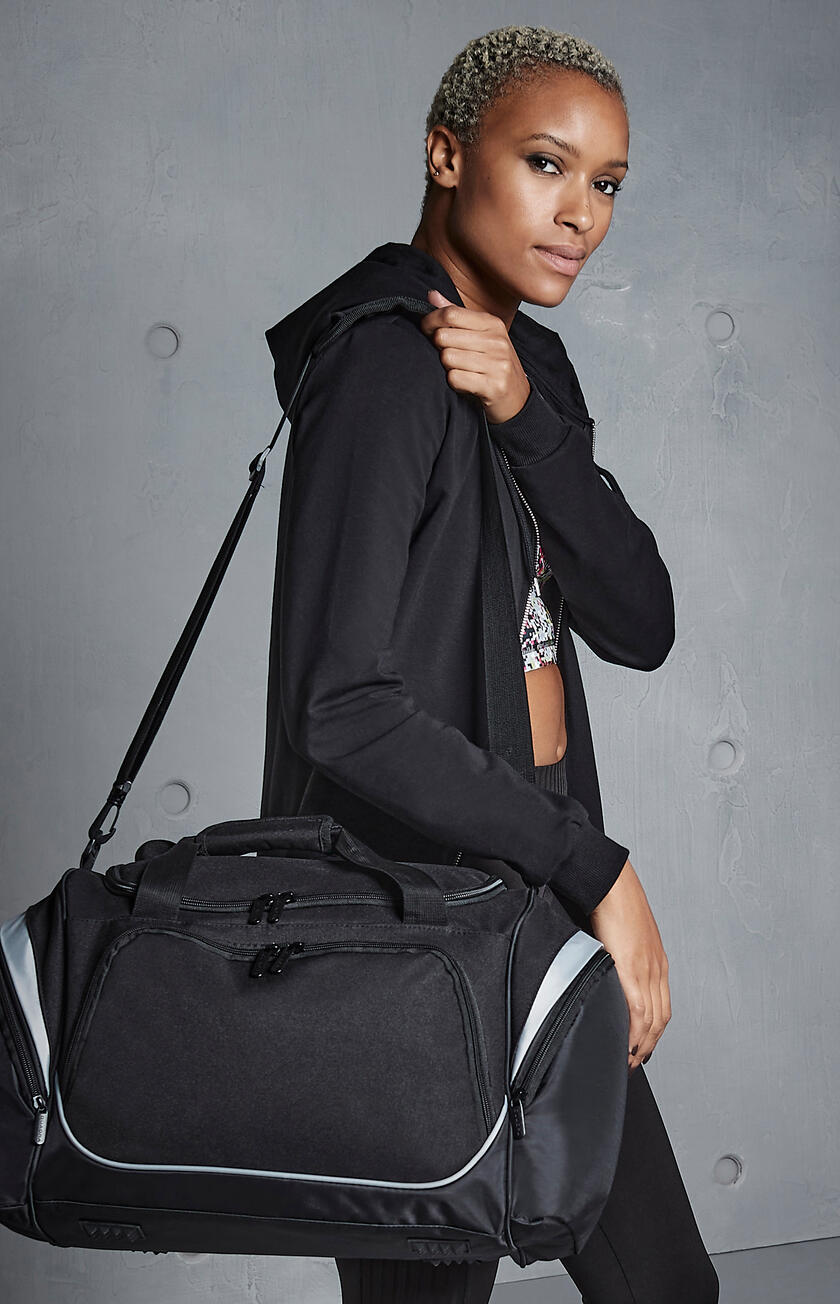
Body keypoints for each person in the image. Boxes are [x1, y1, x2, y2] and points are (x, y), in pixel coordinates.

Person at [260, 24, 719, 1304]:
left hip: (529, 914)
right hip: (409, 940)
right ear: (447, 153)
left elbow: (639, 619)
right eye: (546, 164)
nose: (581, 214)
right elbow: (340, 707)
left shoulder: (525, 367)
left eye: (607, 183)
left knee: (662, 1285)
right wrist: (596, 866)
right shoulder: (381, 367)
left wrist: (525, 418)